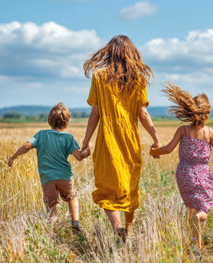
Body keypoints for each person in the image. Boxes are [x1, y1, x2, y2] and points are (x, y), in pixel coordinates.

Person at [82, 35, 160, 242]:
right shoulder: (138, 80)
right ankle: (128, 229)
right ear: (131, 54)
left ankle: (117, 226)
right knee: (129, 189)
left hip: (107, 141)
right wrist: (156, 138)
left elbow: (95, 113)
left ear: (109, 53)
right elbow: (143, 114)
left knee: (107, 189)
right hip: (130, 141)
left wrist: (85, 141)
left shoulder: (99, 77)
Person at [149, 83, 213, 249]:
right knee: (207, 202)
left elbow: (168, 149)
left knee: (192, 208)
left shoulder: (183, 130)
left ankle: (196, 246)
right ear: (206, 114)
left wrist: (154, 151)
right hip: (201, 173)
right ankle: (199, 218)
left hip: (184, 173)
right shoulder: (208, 132)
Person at [7, 103, 91, 231]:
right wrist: (87, 152)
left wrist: (13, 156)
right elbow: (79, 157)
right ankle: (75, 222)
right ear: (67, 123)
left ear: (49, 121)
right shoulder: (69, 137)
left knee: (51, 208)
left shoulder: (41, 135)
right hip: (65, 177)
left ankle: (55, 233)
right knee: (72, 197)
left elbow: (27, 146)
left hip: (47, 179)